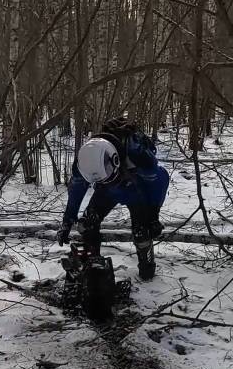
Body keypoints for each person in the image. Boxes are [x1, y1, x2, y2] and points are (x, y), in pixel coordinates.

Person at [59, 118, 170, 280]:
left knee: (142, 232)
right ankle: (92, 266)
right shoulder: (84, 161)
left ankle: (147, 268)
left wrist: (153, 215)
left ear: (115, 160)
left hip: (136, 190)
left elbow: (159, 181)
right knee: (86, 224)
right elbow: (76, 191)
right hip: (106, 192)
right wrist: (67, 222)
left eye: (108, 177)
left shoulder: (138, 153)